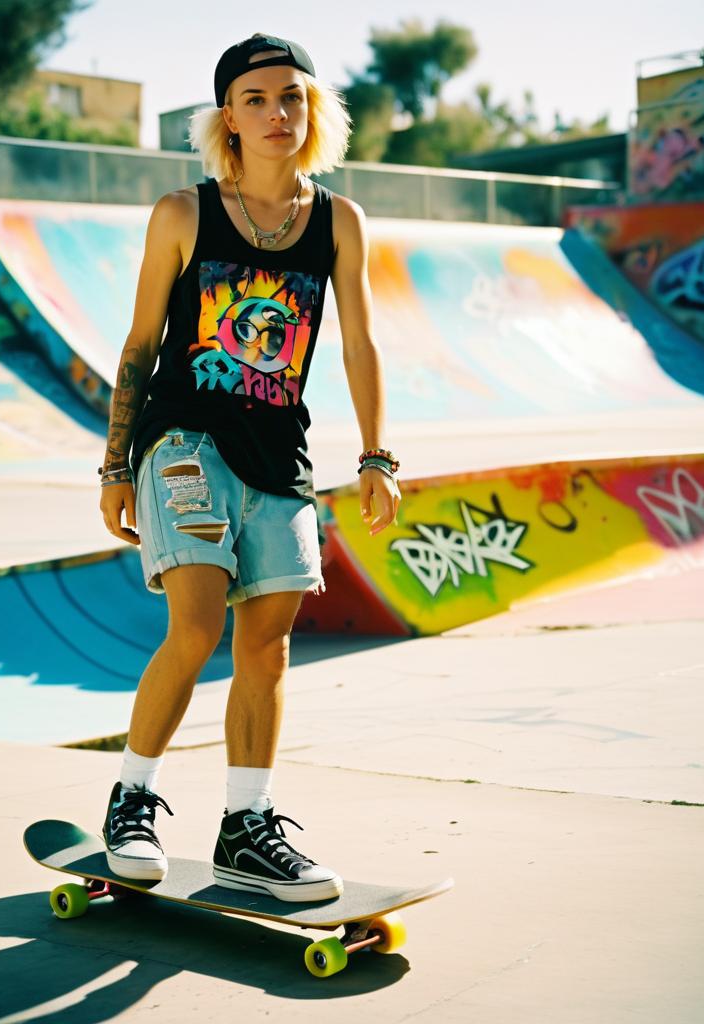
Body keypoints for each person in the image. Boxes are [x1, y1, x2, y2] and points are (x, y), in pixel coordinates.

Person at [97, 32, 401, 902]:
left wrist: (376, 455)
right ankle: (133, 796)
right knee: (195, 627)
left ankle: (247, 826)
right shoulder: (183, 213)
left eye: (294, 97)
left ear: (315, 112)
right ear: (227, 117)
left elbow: (361, 342)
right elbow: (141, 343)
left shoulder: (339, 222)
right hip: (182, 440)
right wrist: (116, 467)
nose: (278, 114)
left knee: (266, 648)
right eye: (259, 99)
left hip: (281, 453)